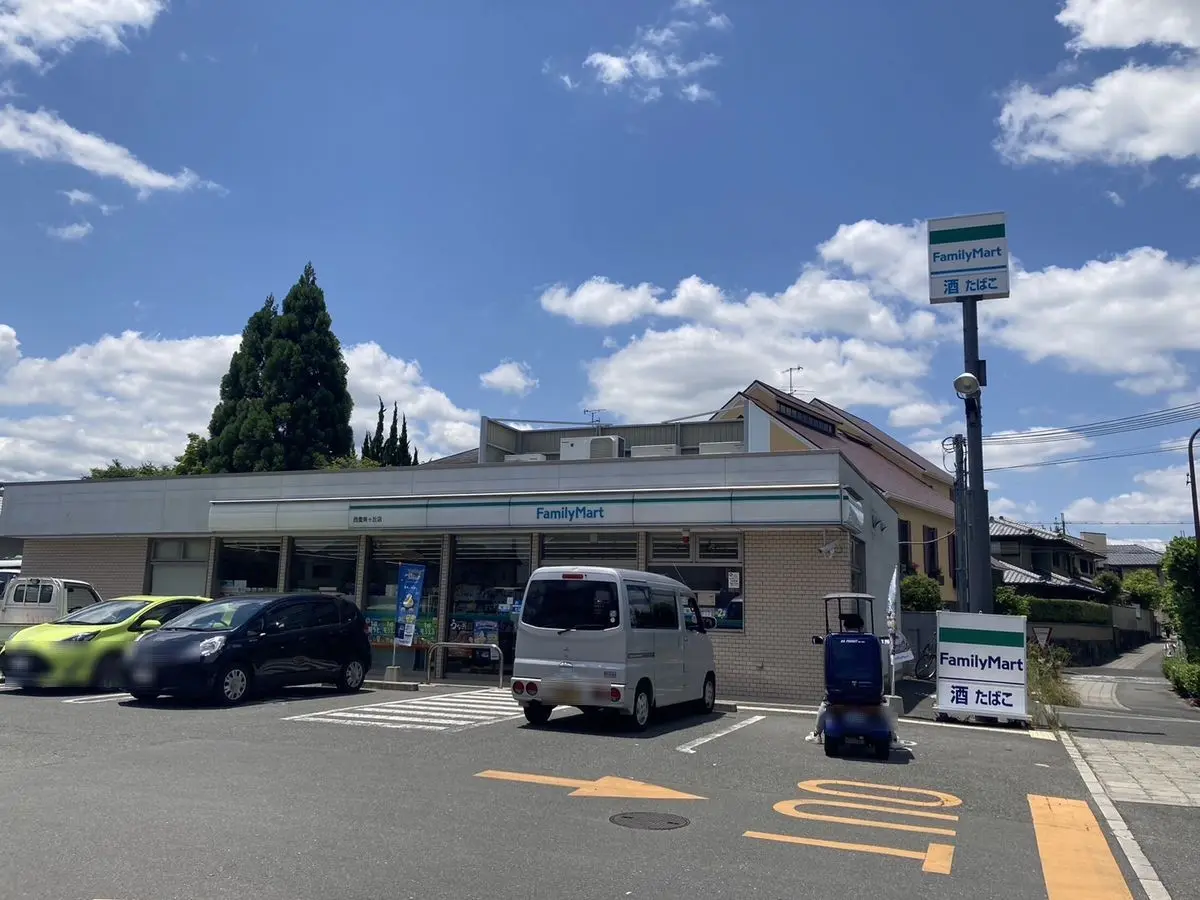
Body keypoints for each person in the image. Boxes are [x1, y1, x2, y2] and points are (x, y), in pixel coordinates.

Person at [805, 612, 898, 746]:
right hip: (869, 692)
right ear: (861, 626)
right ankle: (893, 738)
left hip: (839, 692)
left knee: (825, 705)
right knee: (883, 707)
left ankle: (817, 734)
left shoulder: (834, 640)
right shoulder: (871, 640)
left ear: (845, 626)